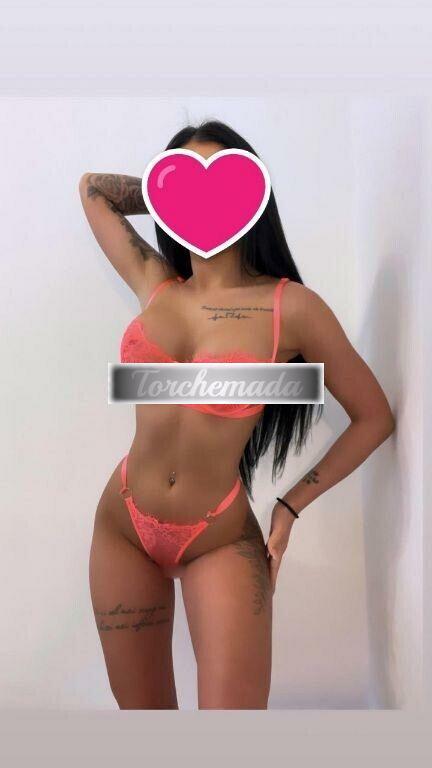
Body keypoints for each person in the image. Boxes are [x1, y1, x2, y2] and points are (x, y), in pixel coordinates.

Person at [79, 119, 395, 710]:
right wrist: (173, 191)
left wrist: (289, 507)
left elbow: (373, 416)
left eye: (220, 181)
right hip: (123, 526)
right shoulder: (156, 282)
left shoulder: (290, 307)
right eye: (186, 182)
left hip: (217, 538)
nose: (203, 196)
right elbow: (92, 190)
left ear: (252, 195)